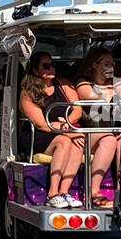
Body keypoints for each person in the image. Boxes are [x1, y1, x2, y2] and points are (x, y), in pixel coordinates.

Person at [74, 46, 121, 208]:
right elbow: (92, 97)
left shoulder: (115, 83)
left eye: (112, 64)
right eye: (106, 64)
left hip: (108, 131)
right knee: (109, 139)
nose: (111, 67)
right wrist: (115, 98)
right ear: (95, 65)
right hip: (87, 133)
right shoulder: (83, 83)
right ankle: (93, 192)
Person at [18, 51, 84, 209]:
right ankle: (52, 193)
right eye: (46, 66)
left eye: (53, 64)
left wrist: (68, 123)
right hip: (39, 135)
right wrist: (63, 129)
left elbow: (78, 110)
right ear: (35, 70)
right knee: (64, 141)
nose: (51, 68)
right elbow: (41, 124)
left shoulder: (63, 84)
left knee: (78, 140)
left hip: (64, 128)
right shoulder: (27, 93)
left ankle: (64, 191)